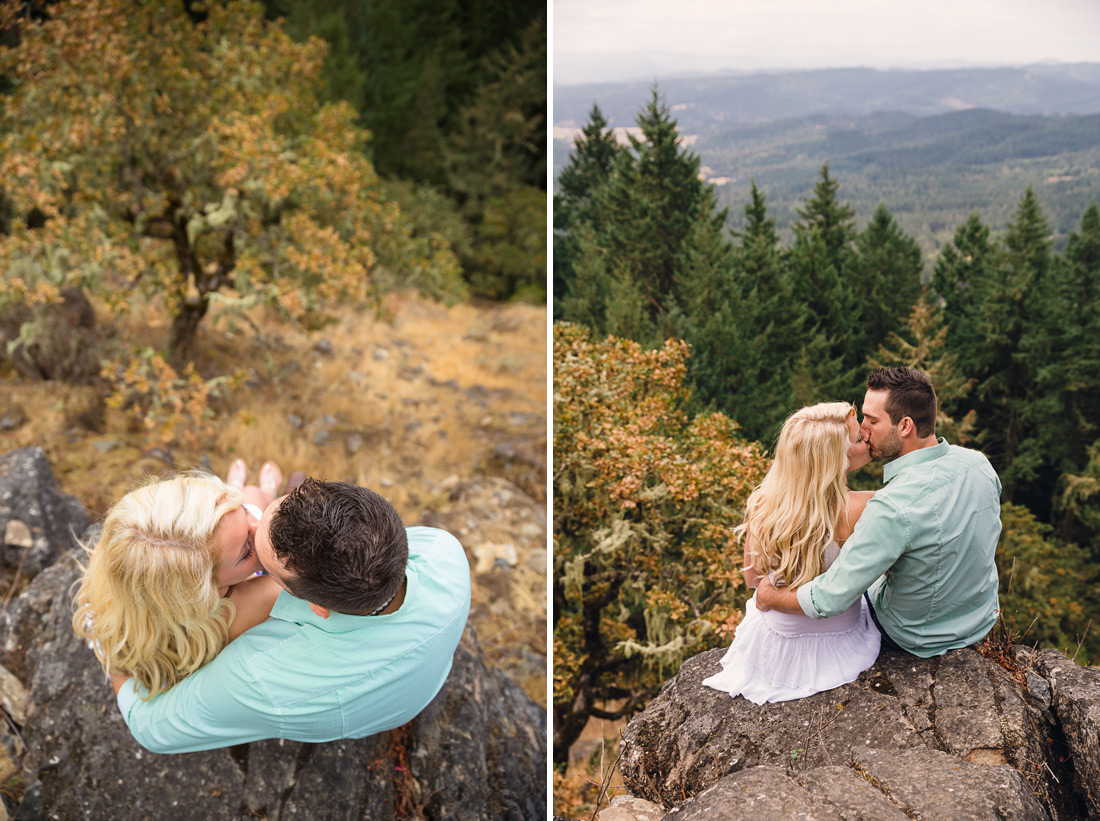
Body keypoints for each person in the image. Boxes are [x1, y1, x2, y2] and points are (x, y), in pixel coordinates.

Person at [105, 476, 471, 754]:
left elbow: (152, 728)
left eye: (254, 554)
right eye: (255, 509)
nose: (255, 515)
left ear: (314, 605)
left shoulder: (258, 676)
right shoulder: (443, 550)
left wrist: (114, 656)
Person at [755, 366, 1002, 658]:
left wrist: (768, 594)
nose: (863, 430)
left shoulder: (890, 507)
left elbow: (829, 599)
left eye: (872, 420)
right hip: (981, 621)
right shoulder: (978, 463)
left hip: (914, 636)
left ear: (905, 426)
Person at [702, 401, 881, 703]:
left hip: (772, 643)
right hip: (840, 642)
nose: (867, 436)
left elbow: (752, 578)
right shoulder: (862, 507)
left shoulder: (764, 503)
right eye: (857, 438)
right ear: (833, 459)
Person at [73, 460, 289, 699]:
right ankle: (265, 491)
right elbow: (296, 577)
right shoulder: (229, 614)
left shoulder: (120, 547)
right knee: (254, 495)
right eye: (246, 550)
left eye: (243, 510)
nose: (261, 529)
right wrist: (256, 503)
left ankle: (235, 498)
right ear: (206, 593)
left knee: (246, 503)